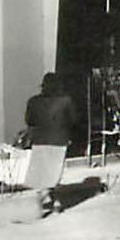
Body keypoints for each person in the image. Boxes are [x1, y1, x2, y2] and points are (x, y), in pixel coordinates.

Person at [23, 72, 78, 217]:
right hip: (59, 141)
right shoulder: (66, 101)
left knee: (42, 172)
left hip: (40, 140)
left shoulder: (33, 101)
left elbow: (29, 120)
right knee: (55, 172)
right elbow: (73, 120)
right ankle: (53, 199)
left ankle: (45, 197)